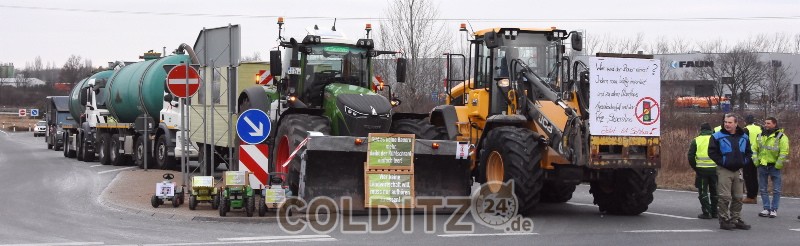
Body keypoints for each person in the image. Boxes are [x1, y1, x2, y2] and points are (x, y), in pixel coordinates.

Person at [708, 113, 752, 230]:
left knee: (738, 196)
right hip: (724, 170)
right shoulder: (717, 136)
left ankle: (736, 219)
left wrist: (744, 161)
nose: (727, 124)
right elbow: (712, 152)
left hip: (738, 170)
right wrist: (723, 161)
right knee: (724, 197)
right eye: (725, 122)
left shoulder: (744, 136)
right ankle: (724, 220)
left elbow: (749, 152)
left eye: (730, 122)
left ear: (736, 123)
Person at [753, 117, 789, 218]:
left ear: (774, 124)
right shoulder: (760, 135)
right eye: (765, 123)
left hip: (774, 166)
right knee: (763, 189)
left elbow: (784, 152)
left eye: (768, 123)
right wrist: (756, 161)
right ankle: (766, 208)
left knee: (776, 189)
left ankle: (774, 209)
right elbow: (754, 149)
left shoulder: (781, 137)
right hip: (762, 165)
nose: (766, 125)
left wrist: (778, 164)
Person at [688, 122, 718, 219]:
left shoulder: (696, 140)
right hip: (715, 170)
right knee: (715, 191)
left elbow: (691, 156)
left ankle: (707, 212)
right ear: (710, 130)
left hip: (701, 170)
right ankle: (715, 212)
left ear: (701, 130)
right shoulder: (716, 139)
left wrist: (695, 167)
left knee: (703, 191)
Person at [742, 115, 762, 204]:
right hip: (758, 155)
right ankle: (754, 195)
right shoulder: (759, 128)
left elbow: (743, 142)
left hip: (748, 155)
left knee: (748, 176)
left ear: (746, 121)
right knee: (754, 176)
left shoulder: (745, 129)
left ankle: (750, 196)